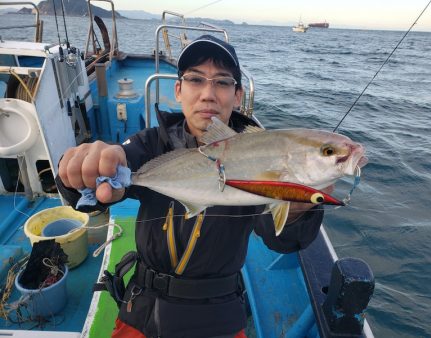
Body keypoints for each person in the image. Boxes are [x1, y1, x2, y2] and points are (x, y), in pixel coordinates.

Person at [56, 35, 327, 338]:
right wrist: (81, 171)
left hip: (218, 313)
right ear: (178, 90)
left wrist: (296, 208)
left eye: (222, 82)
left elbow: (281, 240)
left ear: (237, 95)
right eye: (196, 79)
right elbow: (101, 189)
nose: (208, 94)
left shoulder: (259, 153)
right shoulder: (150, 143)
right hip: (143, 308)